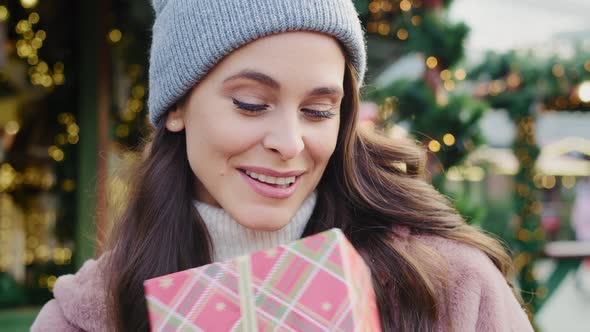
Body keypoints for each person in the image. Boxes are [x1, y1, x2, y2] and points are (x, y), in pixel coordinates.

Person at [31, 0, 533, 331]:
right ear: (177, 106)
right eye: (250, 103)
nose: (290, 143)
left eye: (319, 111)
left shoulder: (449, 287)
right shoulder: (87, 316)